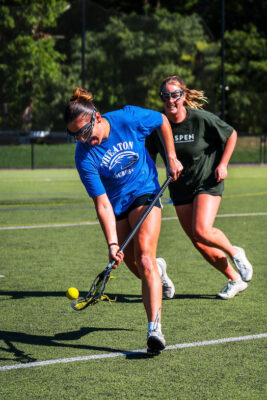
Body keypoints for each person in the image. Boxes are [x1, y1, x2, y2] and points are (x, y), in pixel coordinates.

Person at [64, 87, 183, 353]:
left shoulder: (128, 118)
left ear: (96, 117)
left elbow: (162, 121)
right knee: (134, 264)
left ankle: (155, 330)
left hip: (144, 191)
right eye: (75, 136)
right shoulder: (84, 156)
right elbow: (102, 203)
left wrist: (171, 157)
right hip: (116, 205)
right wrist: (112, 244)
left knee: (143, 258)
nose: (83, 140)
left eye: (84, 132)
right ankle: (158, 270)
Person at [146, 75, 253, 300]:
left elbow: (231, 134)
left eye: (175, 95)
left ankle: (236, 252)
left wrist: (223, 164)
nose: (170, 100)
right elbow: (150, 157)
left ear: (183, 96)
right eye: (165, 96)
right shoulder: (158, 126)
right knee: (198, 240)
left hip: (207, 181)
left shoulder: (200, 119)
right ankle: (234, 279)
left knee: (202, 229)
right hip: (180, 189)